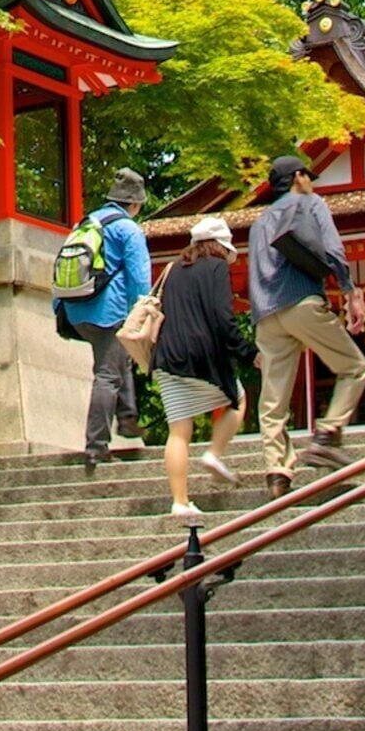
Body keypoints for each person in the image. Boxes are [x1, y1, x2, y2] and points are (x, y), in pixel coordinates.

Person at [246, 152, 365, 491]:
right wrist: (350, 292)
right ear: (299, 177)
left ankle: (277, 472)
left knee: (273, 400)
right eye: (309, 176)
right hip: (300, 300)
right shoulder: (309, 203)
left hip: (265, 315)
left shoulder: (258, 223)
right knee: (354, 367)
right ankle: (328, 434)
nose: (312, 182)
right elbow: (332, 250)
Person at [148, 214, 250, 519]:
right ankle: (214, 453)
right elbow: (222, 316)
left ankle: (180, 502)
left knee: (179, 430)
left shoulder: (173, 269)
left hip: (167, 356)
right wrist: (246, 351)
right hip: (201, 355)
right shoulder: (216, 267)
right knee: (239, 400)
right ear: (219, 246)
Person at [61, 167, 155, 465]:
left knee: (115, 358)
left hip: (75, 310)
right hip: (107, 311)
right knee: (107, 374)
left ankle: (127, 418)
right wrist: (142, 313)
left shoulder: (85, 223)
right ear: (136, 203)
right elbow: (140, 279)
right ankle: (96, 446)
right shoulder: (128, 229)